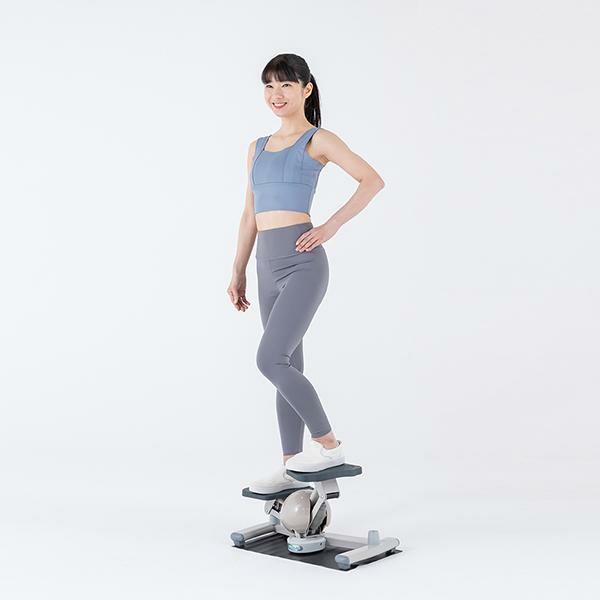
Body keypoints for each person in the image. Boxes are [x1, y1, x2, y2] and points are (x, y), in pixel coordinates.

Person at [227, 53, 385, 494]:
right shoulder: (256, 147)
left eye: (286, 85)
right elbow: (249, 215)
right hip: (265, 265)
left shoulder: (318, 140)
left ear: (306, 89)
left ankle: (329, 446)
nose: (276, 95)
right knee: (288, 364)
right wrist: (238, 269)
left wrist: (330, 226)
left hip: (302, 262)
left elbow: (371, 180)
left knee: (270, 360)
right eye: (269, 86)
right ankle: (292, 466)